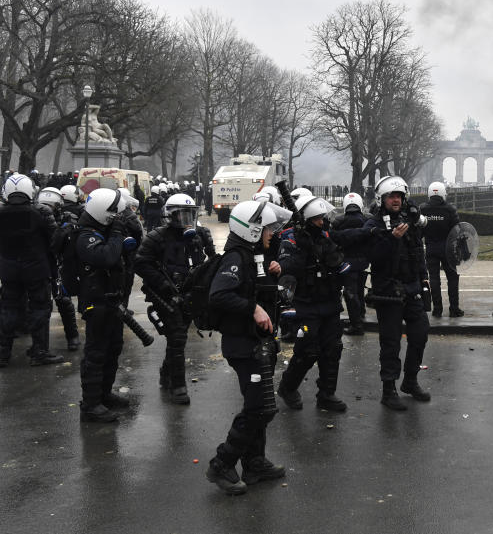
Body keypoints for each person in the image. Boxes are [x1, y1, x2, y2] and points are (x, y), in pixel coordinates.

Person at [206, 200, 286, 495]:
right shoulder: (236, 257)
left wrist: (274, 272)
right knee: (259, 408)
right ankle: (221, 464)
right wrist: (252, 309)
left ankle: (254, 463)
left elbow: (255, 288)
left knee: (261, 404)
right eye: (266, 229)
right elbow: (219, 295)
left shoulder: (252, 255)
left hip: (255, 341)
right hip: (243, 344)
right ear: (252, 230)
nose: (271, 234)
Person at [275, 194, 366, 412]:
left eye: (322, 217)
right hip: (306, 304)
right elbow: (286, 267)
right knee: (308, 350)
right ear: (306, 220)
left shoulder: (325, 235)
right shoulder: (291, 238)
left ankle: (326, 394)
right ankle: (288, 387)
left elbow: (339, 258)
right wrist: (304, 249)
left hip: (330, 301)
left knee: (333, 348)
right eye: (316, 219)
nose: (321, 222)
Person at [134, 193, 215, 405]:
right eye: (182, 215)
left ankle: (166, 372)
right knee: (177, 337)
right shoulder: (157, 236)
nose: (187, 219)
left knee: (178, 338)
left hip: (190, 293)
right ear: (171, 215)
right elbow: (141, 263)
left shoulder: (200, 233)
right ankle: (178, 386)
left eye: (191, 214)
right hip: (165, 294)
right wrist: (161, 283)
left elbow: (212, 261)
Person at [363, 176, 432, 411]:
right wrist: (391, 239)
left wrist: (424, 278)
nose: (396, 200)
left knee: (420, 334)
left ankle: (410, 381)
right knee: (390, 343)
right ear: (382, 199)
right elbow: (371, 257)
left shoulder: (408, 221)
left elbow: (417, 252)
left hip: (412, 289)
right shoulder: (372, 224)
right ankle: (388, 389)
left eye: (399, 196)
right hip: (388, 292)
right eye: (391, 196)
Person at [75, 188, 137, 421]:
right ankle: (90, 404)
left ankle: (104, 394)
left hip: (111, 301)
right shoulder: (86, 235)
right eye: (114, 215)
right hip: (96, 303)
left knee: (113, 348)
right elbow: (107, 257)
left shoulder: (104, 228)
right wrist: (117, 233)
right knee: (96, 353)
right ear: (104, 212)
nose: (117, 219)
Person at [0, 174, 63, 367]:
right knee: (40, 308)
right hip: (36, 268)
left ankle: (3, 353)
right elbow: (55, 240)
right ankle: (39, 351)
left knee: (8, 309)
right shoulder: (41, 212)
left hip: (8, 268)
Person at [37, 187, 82, 351]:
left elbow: (66, 244)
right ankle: (41, 343)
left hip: (54, 265)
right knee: (42, 305)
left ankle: (72, 337)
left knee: (62, 301)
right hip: (42, 265)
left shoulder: (65, 219)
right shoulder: (36, 218)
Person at [419, 182, 463, 318]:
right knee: (453, 279)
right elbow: (457, 231)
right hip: (448, 249)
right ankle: (454, 309)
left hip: (431, 248)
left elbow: (419, 231)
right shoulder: (450, 209)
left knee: (434, 279)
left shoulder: (423, 209)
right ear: (443, 193)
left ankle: (437, 309)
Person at [332, 192, 369, 335]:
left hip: (346, 262)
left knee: (350, 292)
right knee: (359, 288)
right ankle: (361, 313)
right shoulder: (366, 220)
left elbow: (333, 241)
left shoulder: (338, 222)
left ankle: (356, 324)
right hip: (363, 261)